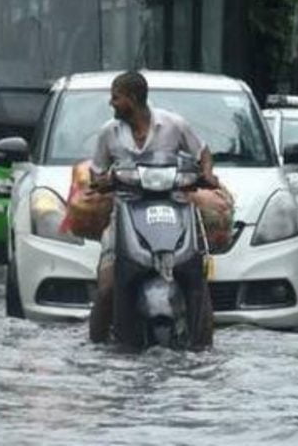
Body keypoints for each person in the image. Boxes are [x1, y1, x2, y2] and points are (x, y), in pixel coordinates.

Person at [88, 70, 217, 343]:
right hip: (125, 211)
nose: (111, 103)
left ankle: (204, 344)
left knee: (196, 278)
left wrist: (206, 173)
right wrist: (103, 181)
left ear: (133, 99)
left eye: (116, 97)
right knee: (107, 287)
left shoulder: (174, 125)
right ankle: (96, 345)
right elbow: (96, 173)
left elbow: (203, 152)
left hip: (175, 208)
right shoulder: (108, 133)